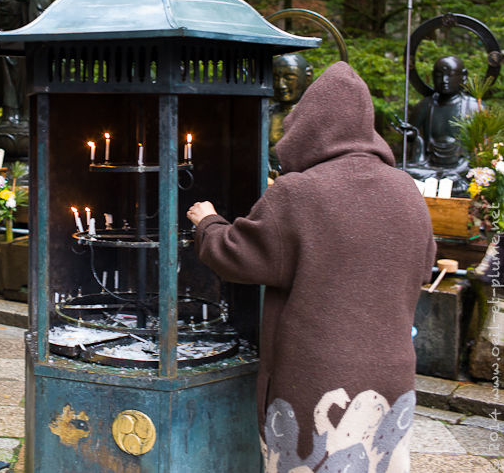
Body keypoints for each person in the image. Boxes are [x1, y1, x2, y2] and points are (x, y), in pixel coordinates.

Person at [187, 62, 435, 471]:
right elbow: (423, 267)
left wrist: (208, 222)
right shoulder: (406, 189)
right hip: (392, 374)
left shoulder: (298, 193)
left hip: (318, 380)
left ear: (310, 126)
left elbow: (237, 255)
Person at [399, 55, 479, 194]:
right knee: (399, 170)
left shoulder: (475, 107)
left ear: (464, 76)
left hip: (461, 168)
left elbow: (481, 151)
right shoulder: (426, 105)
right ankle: (444, 182)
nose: (444, 80)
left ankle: (446, 181)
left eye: (450, 75)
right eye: (438, 75)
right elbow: (413, 144)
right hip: (429, 167)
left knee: (473, 176)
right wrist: (413, 136)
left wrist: (462, 169)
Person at [268, 53, 313, 177]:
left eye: (289, 77)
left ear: (308, 77)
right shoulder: (265, 114)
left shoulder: (315, 114)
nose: (280, 85)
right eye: (276, 78)